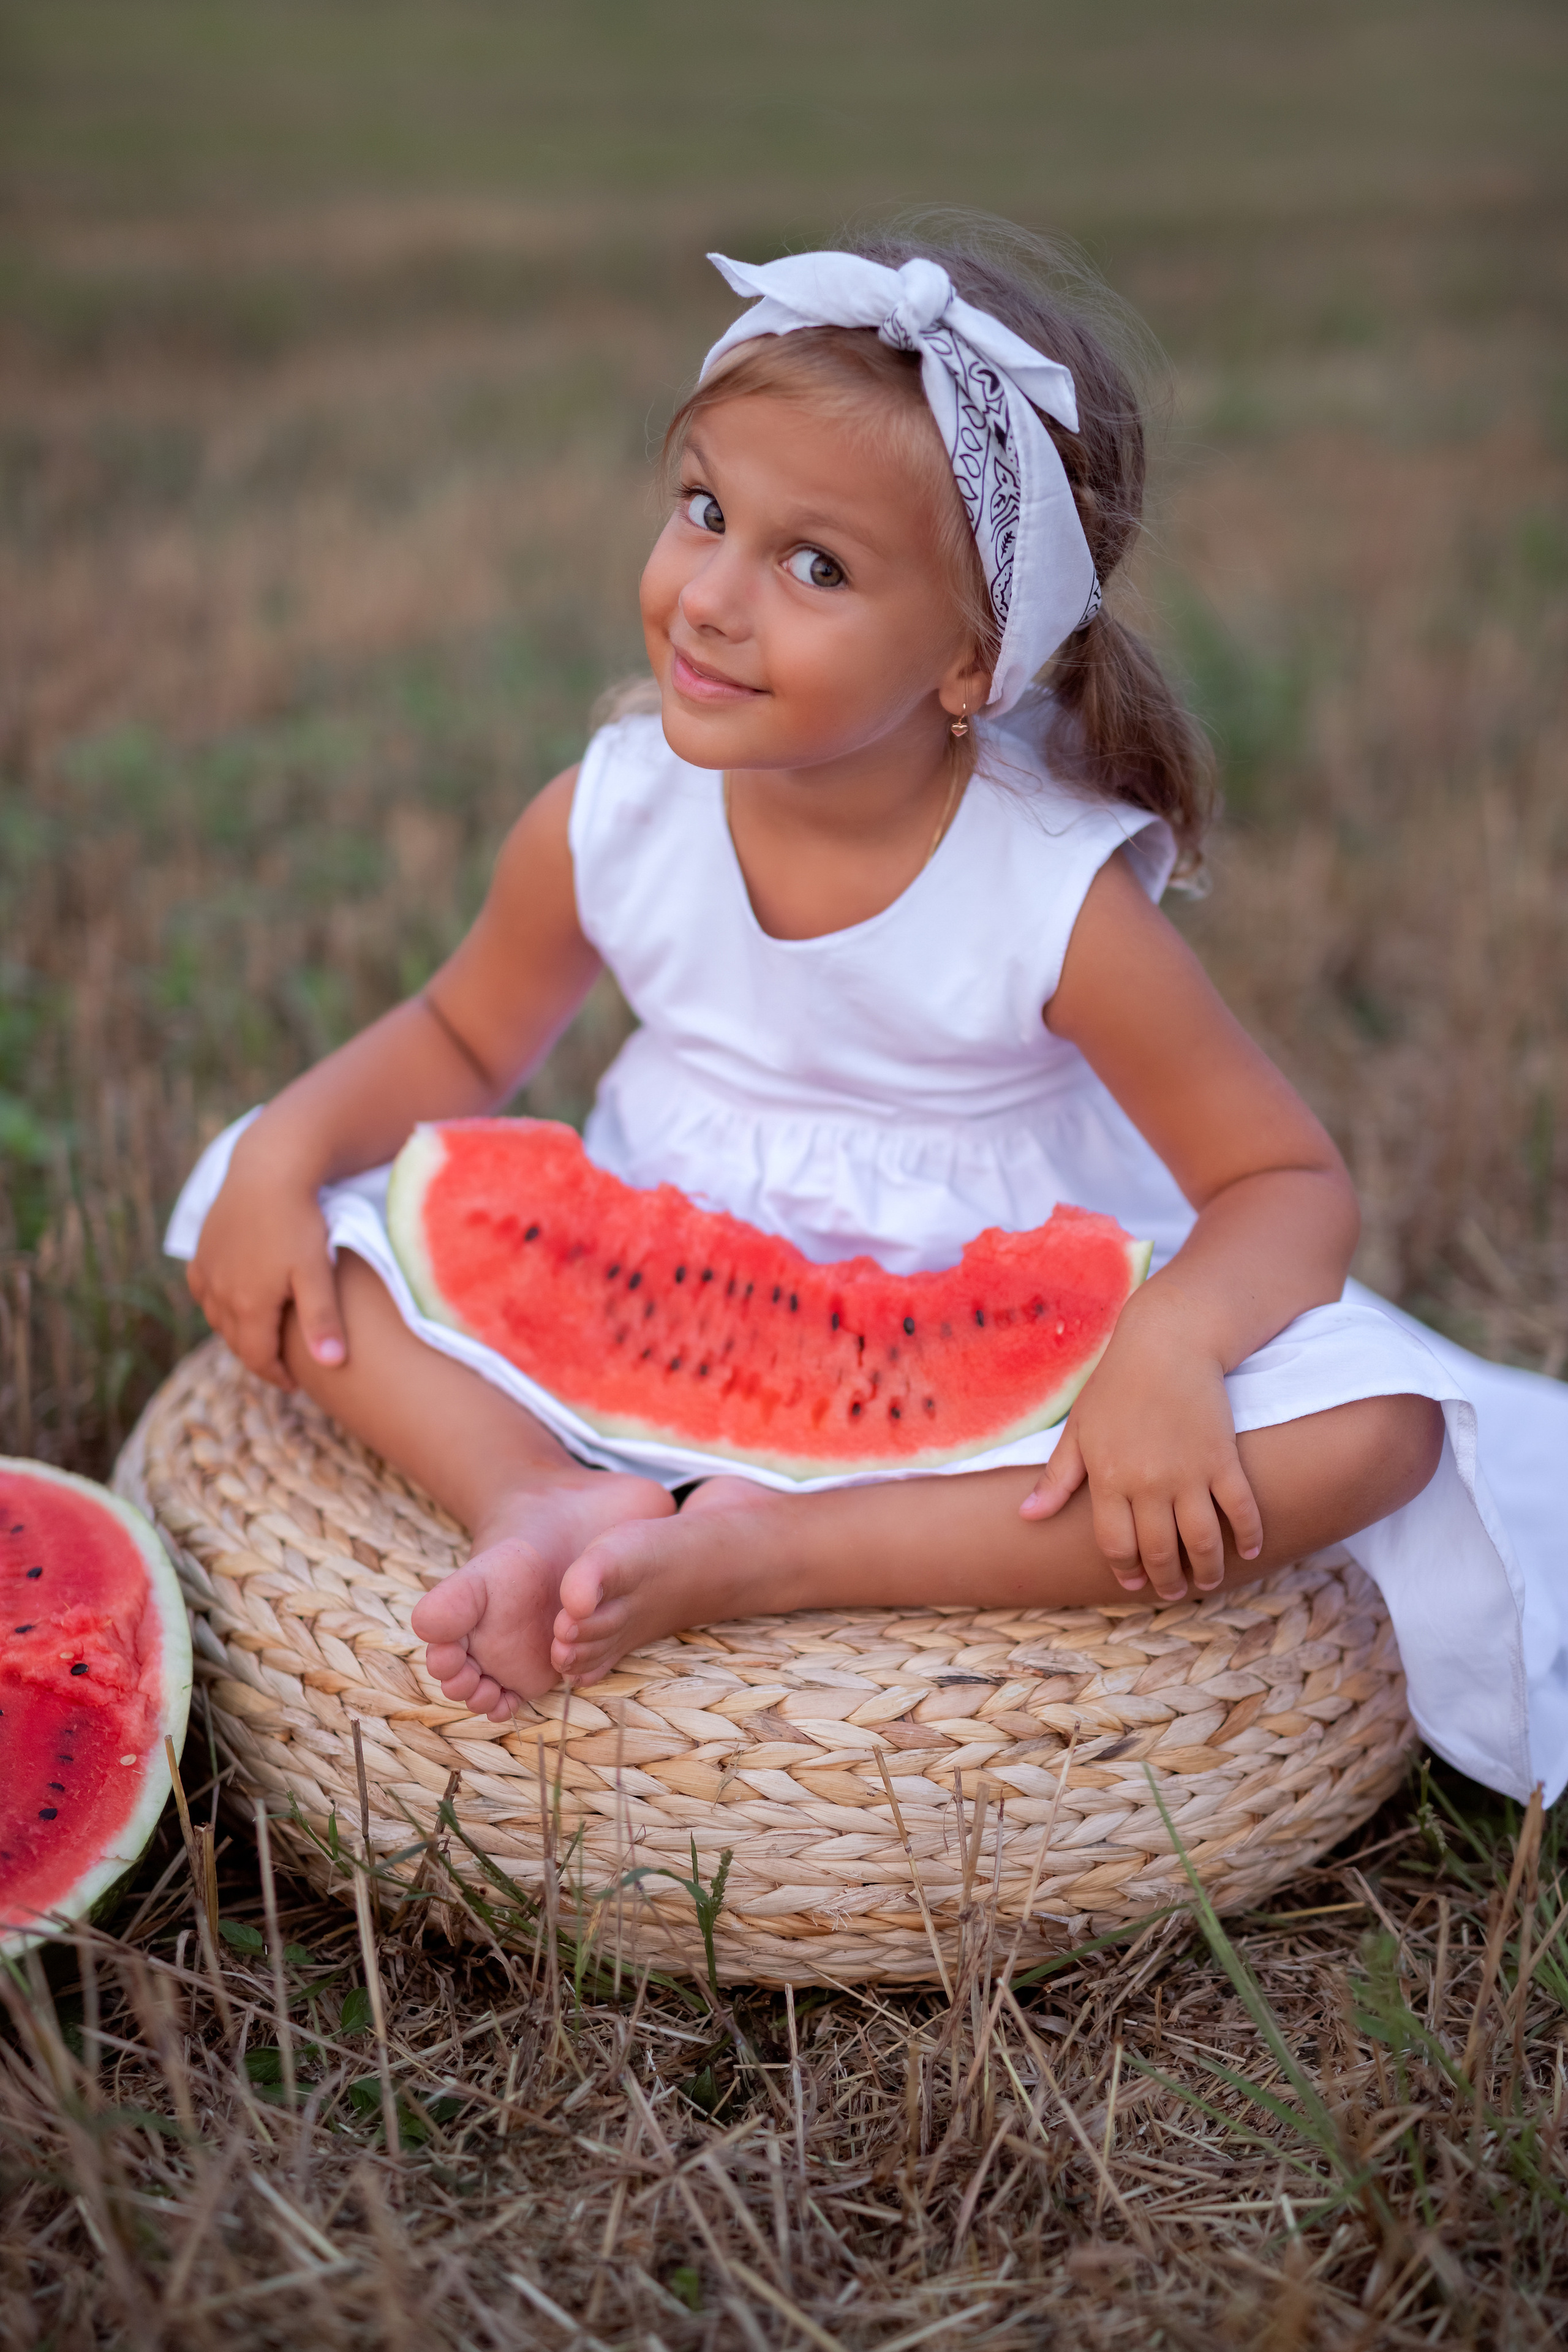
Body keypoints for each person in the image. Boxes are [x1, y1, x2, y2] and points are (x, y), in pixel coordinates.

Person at [168, 225, 1568, 1804]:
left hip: (1003, 1327)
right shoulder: (612, 813)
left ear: (975, 660)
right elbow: (460, 1041)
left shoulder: (1050, 893)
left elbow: (1284, 1185)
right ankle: (535, 1490)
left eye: (813, 565)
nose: (710, 596)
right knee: (252, 1190)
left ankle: (772, 1553)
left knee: (1373, 1436)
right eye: (705, 511)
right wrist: (289, 1148)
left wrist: (1171, 1346)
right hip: (666, 1258)